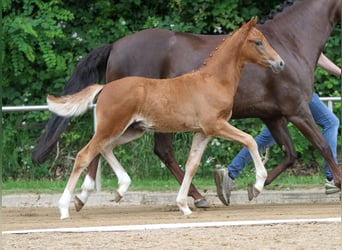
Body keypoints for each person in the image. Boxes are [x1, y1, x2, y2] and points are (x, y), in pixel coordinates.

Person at [214, 53, 341, 205]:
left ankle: (230, 172)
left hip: (288, 87)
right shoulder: (297, 33)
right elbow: (317, 56)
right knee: (330, 122)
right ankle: (331, 177)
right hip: (292, 88)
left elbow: (318, 56)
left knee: (269, 136)